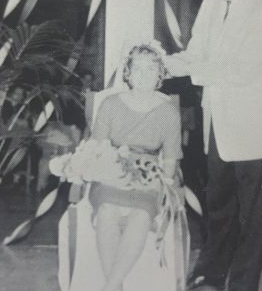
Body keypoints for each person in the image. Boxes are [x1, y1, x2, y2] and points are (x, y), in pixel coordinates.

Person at [165, 0, 262, 290]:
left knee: (253, 214)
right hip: (218, 124)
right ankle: (211, 274)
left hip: (255, 127)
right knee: (218, 205)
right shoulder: (209, 5)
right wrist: (164, 63)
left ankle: (243, 283)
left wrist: (193, 72)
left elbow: (242, 71)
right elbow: (195, 53)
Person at [62, 43, 188, 291]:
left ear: (160, 74)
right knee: (108, 210)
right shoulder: (110, 104)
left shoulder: (169, 113)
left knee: (140, 216)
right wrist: (112, 173)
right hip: (111, 170)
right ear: (128, 73)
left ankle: (110, 286)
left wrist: (159, 182)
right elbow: (97, 150)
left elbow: (170, 164)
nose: (143, 75)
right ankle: (115, 287)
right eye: (137, 68)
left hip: (150, 177)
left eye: (151, 69)